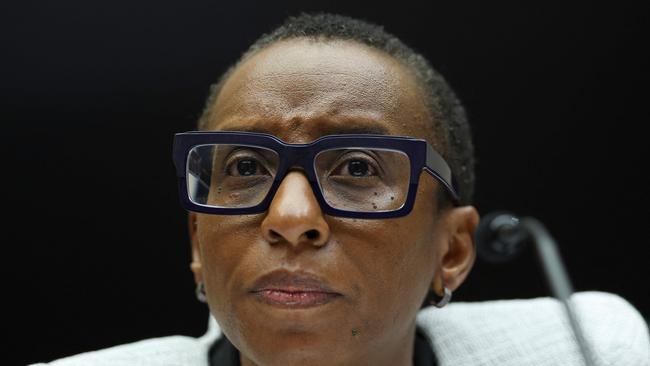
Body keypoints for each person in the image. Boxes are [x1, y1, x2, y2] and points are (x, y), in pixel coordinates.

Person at [32, 12, 649, 366]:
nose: (291, 216)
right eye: (246, 168)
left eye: (356, 168)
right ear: (198, 238)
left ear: (453, 252)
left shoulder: (584, 349)